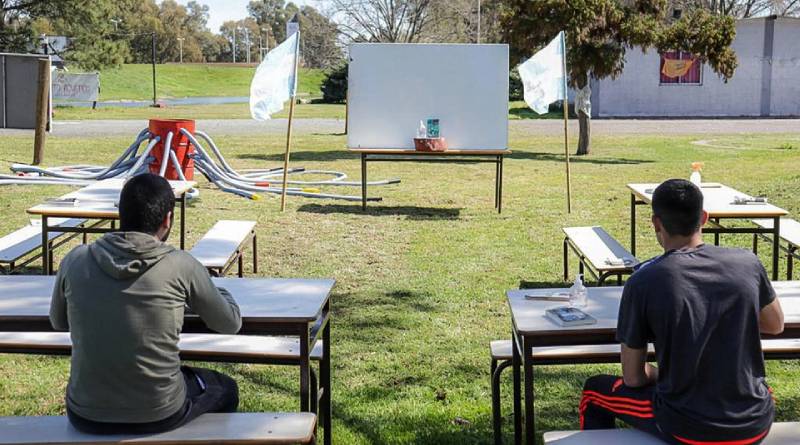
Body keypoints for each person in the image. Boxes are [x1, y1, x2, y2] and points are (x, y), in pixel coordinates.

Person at [580, 179, 784, 444]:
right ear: (705, 218)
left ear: (656, 223)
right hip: (754, 422)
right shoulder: (748, 262)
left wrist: (658, 373)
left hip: (687, 426)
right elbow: (775, 324)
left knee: (593, 391)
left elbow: (633, 377)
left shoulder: (643, 281)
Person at [50, 173, 242, 434]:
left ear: (120, 212)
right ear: (168, 219)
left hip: (85, 412)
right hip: (159, 411)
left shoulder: (75, 259)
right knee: (225, 389)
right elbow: (229, 323)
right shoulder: (181, 265)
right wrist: (222, 291)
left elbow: (58, 322)